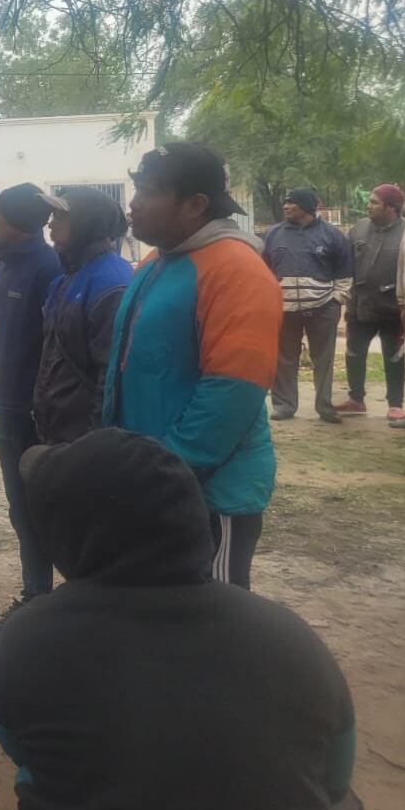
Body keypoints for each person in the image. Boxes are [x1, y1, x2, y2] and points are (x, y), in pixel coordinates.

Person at [0, 429, 356, 810]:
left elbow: (20, 751)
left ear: (64, 535)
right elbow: (334, 780)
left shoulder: (27, 642)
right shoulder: (291, 638)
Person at [106, 143, 281, 588]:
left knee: (212, 626)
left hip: (210, 494)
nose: (134, 202)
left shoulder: (236, 268)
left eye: (149, 191)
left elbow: (233, 392)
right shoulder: (154, 265)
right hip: (154, 484)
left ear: (196, 204)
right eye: (136, 188)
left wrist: (170, 472)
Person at [0, 183, 59, 620]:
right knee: (19, 506)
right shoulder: (4, 265)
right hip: (7, 407)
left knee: (38, 507)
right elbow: (3, 337)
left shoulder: (47, 268)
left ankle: (43, 602)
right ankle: (38, 592)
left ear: (22, 224)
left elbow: (52, 345)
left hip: (34, 414)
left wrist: (36, 402)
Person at [34, 187, 133, 445]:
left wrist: (93, 447)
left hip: (84, 441)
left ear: (88, 223)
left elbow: (109, 375)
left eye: (60, 216)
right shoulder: (66, 277)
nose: (50, 224)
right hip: (57, 432)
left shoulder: (112, 282)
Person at [264, 188, 352, 423]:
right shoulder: (273, 235)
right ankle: (283, 406)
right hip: (285, 310)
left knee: (323, 359)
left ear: (305, 207)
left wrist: (336, 300)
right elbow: (263, 271)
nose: (285, 206)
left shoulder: (332, 235)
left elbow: (345, 273)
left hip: (324, 309)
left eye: (291, 202)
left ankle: (324, 407)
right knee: (284, 359)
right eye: (285, 202)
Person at [337, 184, 404, 423]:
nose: (369, 205)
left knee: (394, 356)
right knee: (353, 352)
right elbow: (344, 261)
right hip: (360, 306)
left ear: (391, 208)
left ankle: (395, 405)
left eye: (375, 202)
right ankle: (356, 399)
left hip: (393, 309)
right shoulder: (359, 229)